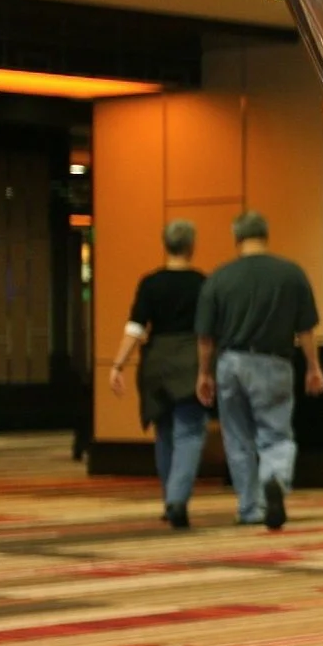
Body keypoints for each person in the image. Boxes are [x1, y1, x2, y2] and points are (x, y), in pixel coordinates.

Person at [195, 210, 323, 529]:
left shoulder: (219, 277)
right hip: (273, 362)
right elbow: (305, 329)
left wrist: (204, 373)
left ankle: (249, 508)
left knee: (237, 437)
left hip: (230, 363)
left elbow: (206, 337)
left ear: (236, 238)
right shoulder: (291, 274)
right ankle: (274, 482)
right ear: (266, 235)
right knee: (276, 434)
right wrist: (313, 367)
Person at [108, 221, 208, 529]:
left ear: (165, 245)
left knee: (164, 433)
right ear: (191, 246)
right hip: (189, 359)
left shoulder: (150, 283)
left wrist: (117, 364)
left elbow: (136, 328)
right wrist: (208, 370)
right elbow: (209, 332)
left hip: (156, 363)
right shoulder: (203, 283)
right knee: (189, 432)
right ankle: (177, 499)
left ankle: (169, 498)